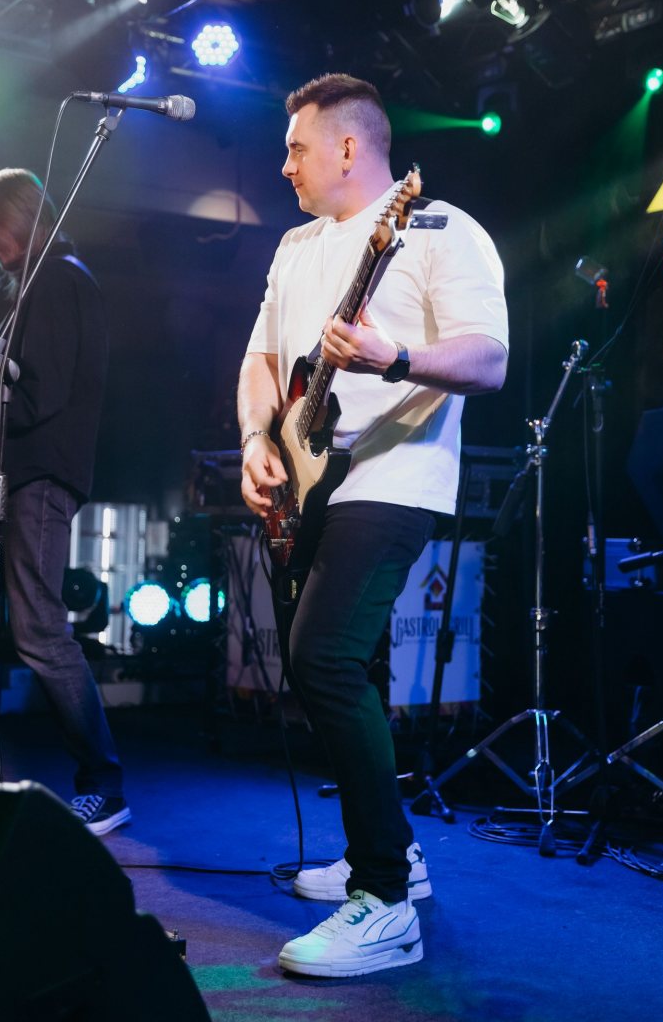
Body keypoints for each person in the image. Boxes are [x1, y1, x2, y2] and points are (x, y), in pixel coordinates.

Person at [238, 74, 508, 977]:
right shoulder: (294, 246)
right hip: (311, 481)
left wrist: (396, 358)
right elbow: (261, 359)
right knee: (329, 666)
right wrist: (256, 440)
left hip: (395, 476)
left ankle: (385, 902)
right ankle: (393, 851)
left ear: (349, 148)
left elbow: (489, 359)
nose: (284, 166)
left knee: (322, 659)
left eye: (296, 149)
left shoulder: (441, 229)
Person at [0, 168, 129, 836]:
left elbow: (40, 397)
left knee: (39, 629)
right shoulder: (32, 293)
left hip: (35, 481)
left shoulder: (62, 280)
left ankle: (104, 785)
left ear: (21, 215)